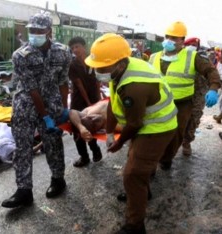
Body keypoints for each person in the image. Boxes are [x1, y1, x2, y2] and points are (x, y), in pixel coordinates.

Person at [85, 33, 178, 234]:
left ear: (118, 63)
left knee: (132, 174)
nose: (98, 70)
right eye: (96, 66)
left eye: (102, 67)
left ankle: (135, 226)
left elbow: (135, 123)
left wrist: (118, 142)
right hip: (147, 124)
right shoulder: (121, 70)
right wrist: (109, 132)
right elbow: (112, 104)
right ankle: (143, 192)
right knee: (136, 163)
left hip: (157, 128)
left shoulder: (134, 86)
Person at [1, 12, 72, 209]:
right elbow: (31, 88)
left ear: (49, 30)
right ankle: (24, 191)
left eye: (39, 30)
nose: (34, 34)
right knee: (23, 146)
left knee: (53, 143)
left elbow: (63, 81)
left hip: (53, 103)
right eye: (31, 30)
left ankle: (58, 179)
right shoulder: (20, 55)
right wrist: (45, 116)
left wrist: (64, 110)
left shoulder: (63, 52)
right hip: (26, 105)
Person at [149, 22, 221, 169]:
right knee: (153, 133)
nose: (170, 40)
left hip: (181, 104)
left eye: (175, 38)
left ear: (182, 40)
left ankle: (167, 158)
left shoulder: (192, 56)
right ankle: (151, 163)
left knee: (176, 135)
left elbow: (211, 71)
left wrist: (213, 88)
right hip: (156, 104)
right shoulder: (153, 57)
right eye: (168, 36)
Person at [68, 36, 102, 167]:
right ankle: (84, 156)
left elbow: (98, 80)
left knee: (91, 125)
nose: (75, 50)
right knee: (77, 128)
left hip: (93, 98)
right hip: (79, 100)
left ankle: (95, 150)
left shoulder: (93, 61)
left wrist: (97, 100)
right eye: (73, 48)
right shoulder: (73, 65)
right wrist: (88, 103)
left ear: (84, 46)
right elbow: (79, 84)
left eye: (77, 46)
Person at [181, 37, 209, 156]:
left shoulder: (203, 59)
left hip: (197, 95)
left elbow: (211, 73)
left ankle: (186, 143)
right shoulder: (178, 58)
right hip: (181, 94)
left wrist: (212, 88)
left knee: (193, 119)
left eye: (194, 45)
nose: (192, 46)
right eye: (190, 44)